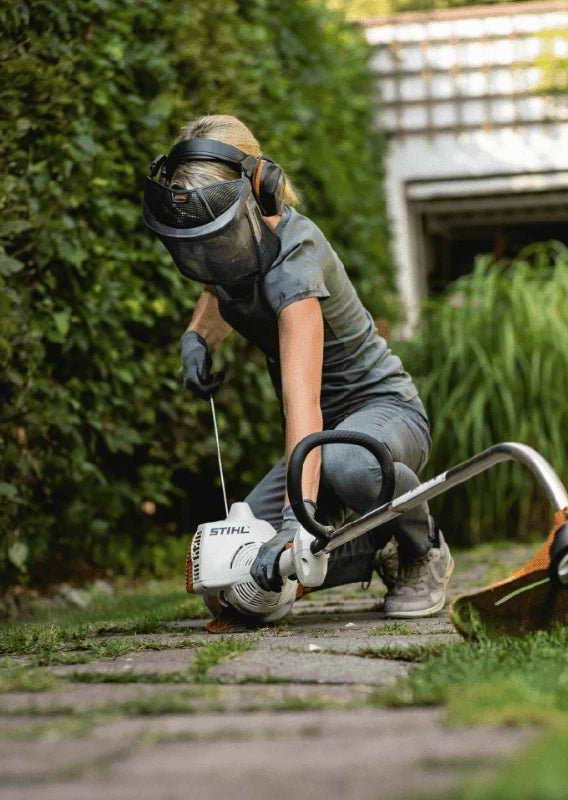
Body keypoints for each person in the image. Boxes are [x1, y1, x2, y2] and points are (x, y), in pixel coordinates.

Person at [143, 114, 454, 623]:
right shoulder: (239, 246)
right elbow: (220, 288)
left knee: (343, 465)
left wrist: (295, 522)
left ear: (258, 189)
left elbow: (302, 403)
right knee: (231, 578)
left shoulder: (296, 260)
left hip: (385, 414)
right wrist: (196, 336)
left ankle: (423, 551)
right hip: (325, 437)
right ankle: (371, 546)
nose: (208, 254)